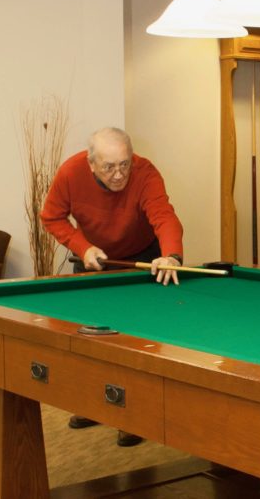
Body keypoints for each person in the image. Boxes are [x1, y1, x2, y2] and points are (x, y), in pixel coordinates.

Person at [41, 126, 185, 447]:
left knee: (135, 340)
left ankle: (132, 417)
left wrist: (171, 255)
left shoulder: (145, 173)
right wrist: (82, 247)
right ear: (91, 163)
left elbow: (164, 216)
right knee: (91, 341)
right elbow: (51, 217)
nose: (119, 174)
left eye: (125, 164)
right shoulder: (70, 173)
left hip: (143, 260)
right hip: (95, 259)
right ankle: (95, 407)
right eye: (109, 167)